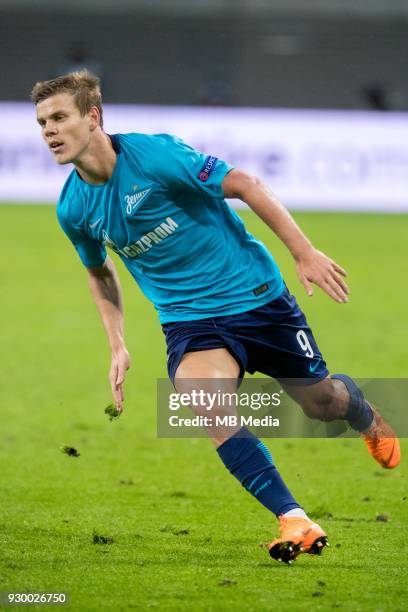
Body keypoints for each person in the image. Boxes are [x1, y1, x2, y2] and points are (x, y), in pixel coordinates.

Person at [31, 71, 400, 565]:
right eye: (41, 122)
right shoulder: (73, 208)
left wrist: (303, 250)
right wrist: (116, 343)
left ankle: (358, 407)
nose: (49, 131)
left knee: (321, 404)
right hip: (190, 322)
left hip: (257, 299)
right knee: (206, 404)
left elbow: (245, 183)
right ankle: (292, 516)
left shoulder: (155, 156)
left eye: (59, 117)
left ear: (92, 118)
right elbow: (100, 274)